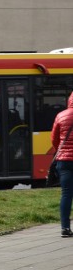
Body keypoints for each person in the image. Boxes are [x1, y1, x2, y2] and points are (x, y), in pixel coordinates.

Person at [50, 91, 73, 238]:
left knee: (66, 194)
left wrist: (61, 150)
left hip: (64, 161)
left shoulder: (61, 115)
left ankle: (65, 228)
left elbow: (54, 139)